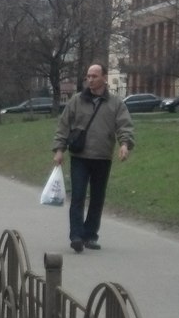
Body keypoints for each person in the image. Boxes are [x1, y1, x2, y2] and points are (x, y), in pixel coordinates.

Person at [51, 63, 135, 253]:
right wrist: (59, 149)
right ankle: (76, 236)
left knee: (97, 198)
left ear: (104, 78)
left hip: (102, 157)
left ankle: (90, 235)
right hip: (80, 157)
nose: (90, 79)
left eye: (94, 76)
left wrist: (124, 144)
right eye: (88, 76)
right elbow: (63, 126)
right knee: (78, 196)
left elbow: (124, 125)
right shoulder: (77, 100)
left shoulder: (115, 103)